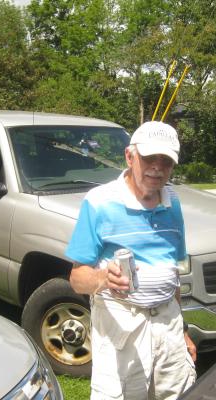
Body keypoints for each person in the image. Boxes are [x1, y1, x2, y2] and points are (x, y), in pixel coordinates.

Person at [66, 121, 197, 399]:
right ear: (130, 156)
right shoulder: (99, 202)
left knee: (178, 394)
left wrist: (182, 330)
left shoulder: (173, 202)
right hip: (122, 325)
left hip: (168, 323)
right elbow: (77, 279)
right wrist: (103, 278)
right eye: (149, 158)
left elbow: (172, 273)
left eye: (166, 161)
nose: (157, 168)